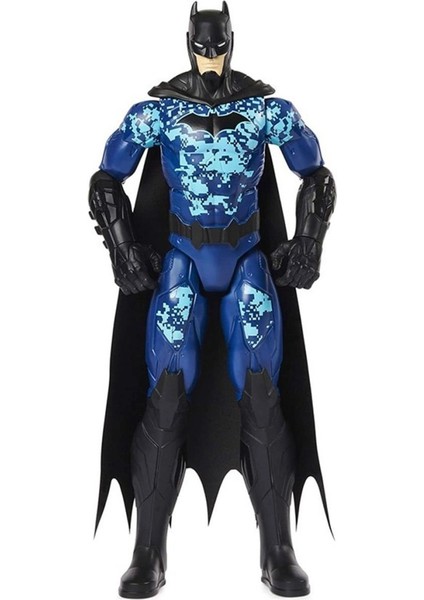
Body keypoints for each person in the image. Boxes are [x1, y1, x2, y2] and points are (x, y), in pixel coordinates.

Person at [89, 2, 336, 597]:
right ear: (187, 42)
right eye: (202, 46)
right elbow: (105, 180)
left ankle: (277, 548)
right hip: (182, 263)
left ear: (231, 40)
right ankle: (148, 551)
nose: (210, 56)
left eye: (218, 45)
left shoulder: (265, 110)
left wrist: (309, 241)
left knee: (262, 389)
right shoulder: (158, 112)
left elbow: (317, 175)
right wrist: (122, 248)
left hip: (247, 260)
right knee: (166, 390)